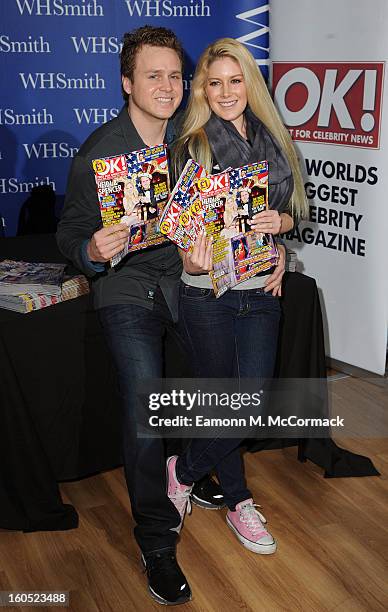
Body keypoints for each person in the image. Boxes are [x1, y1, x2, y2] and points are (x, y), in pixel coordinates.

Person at [57, 26, 192, 606]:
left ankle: (190, 471)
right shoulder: (99, 153)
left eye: (175, 75)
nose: (167, 86)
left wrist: (270, 247)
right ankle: (156, 540)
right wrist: (93, 250)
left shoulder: (195, 141)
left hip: (187, 278)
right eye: (153, 75)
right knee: (144, 404)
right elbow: (70, 234)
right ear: (126, 83)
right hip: (126, 286)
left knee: (230, 375)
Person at [168, 39, 308, 556]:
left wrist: (283, 227)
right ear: (202, 90)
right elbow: (180, 234)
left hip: (261, 289)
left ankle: (182, 471)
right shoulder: (194, 144)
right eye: (214, 82)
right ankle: (238, 500)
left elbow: (295, 212)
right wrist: (191, 255)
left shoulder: (274, 139)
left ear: (250, 82)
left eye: (235, 80)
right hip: (207, 294)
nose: (226, 92)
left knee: (244, 408)